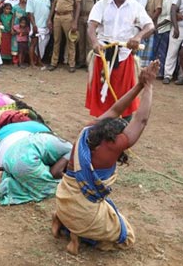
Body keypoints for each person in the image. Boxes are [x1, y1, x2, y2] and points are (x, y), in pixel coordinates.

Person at [52, 60, 160, 255]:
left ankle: (62, 221)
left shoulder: (89, 130)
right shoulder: (113, 146)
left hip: (63, 201)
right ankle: (76, 235)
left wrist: (139, 85)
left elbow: (115, 110)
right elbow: (141, 120)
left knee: (97, 206)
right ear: (117, 138)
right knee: (127, 236)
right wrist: (149, 85)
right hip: (81, 213)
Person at [86, 0, 154, 118]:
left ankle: (123, 125)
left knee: (125, 92)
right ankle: (101, 126)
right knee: (102, 92)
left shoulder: (135, 6)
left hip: (124, 56)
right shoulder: (101, 5)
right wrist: (95, 42)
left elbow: (150, 26)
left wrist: (137, 37)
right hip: (103, 55)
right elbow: (91, 27)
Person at [0, 121, 72, 206]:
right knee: (54, 188)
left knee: (37, 174)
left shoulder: (58, 141)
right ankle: (7, 186)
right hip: (24, 160)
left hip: (10, 156)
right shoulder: (73, 152)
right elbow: (55, 172)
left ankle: (5, 176)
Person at [47, 0, 80, 72]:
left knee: (70, 41)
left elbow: (78, 6)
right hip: (57, 17)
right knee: (56, 40)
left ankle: (71, 64)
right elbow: (54, 4)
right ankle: (53, 63)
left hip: (68, 17)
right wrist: (49, 19)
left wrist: (75, 22)